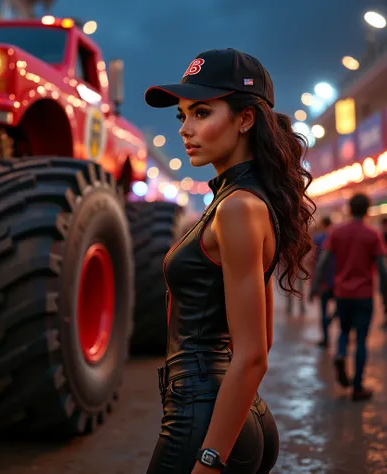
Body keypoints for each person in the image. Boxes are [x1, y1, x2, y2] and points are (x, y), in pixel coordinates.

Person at [144, 48, 315, 474]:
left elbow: (255, 353)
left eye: (201, 113)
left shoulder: (237, 208)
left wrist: (209, 457)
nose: (186, 129)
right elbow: (262, 340)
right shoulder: (240, 201)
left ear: (245, 119)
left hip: (202, 423)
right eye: (182, 116)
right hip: (236, 413)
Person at [311, 194, 387, 401]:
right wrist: (385, 294)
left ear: (348, 209)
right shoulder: (373, 234)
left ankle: (340, 353)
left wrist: (315, 286)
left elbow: (324, 261)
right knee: (361, 339)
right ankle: (357, 387)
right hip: (364, 295)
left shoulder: (337, 232)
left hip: (342, 293)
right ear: (367, 210)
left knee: (344, 331)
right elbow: (381, 268)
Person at [311, 216, 336, 348]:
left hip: (324, 282)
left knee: (323, 310)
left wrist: (313, 285)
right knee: (340, 309)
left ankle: (326, 339)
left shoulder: (318, 239)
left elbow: (316, 263)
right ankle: (333, 320)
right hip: (338, 281)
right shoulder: (338, 238)